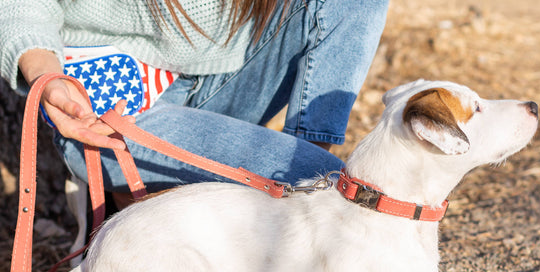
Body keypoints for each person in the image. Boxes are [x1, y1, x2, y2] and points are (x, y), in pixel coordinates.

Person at [1, 0, 389, 201]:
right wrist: (47, 78)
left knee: (313, 175)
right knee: (322, 178)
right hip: (111, 110)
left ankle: (301, 182)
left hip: (230, 74)